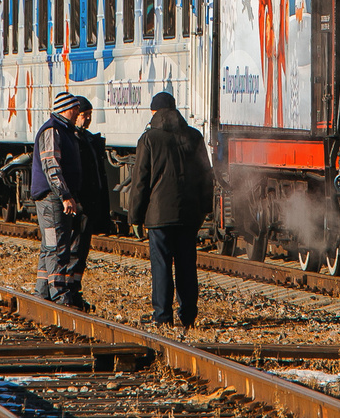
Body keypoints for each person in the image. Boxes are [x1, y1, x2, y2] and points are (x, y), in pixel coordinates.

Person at [125, 90, 212, 328]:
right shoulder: (194, 137)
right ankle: (188, 316)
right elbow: (206, 175)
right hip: (189, 214)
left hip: (159, 216)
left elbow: (141, 180)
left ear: (154, 112)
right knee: (186, 265)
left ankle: (162, 316)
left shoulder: (149, 139)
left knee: (162, 265)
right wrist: (206, 207)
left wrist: (135, 216)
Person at [31, 92, 109, 311]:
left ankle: (43, 291)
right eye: (76, 109)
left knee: (50, 246)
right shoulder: (53, 130)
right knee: (57, 245)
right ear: (67, 108)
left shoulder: (64, 130)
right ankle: (59, 293)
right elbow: (52, 167)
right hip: (52, 198)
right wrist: (65, 195)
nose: (79, 114)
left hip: (54, 197)